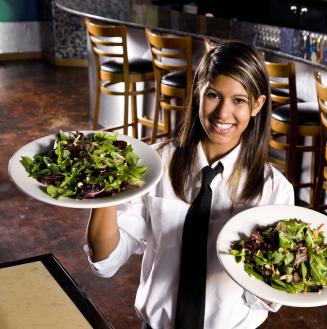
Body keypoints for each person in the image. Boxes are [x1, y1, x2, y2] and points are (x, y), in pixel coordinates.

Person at [84, 40, 294, 329]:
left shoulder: (275, 191)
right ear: (198, 93)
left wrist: (277, 264)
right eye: (213, 95)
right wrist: (103, 191)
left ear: (257, 105)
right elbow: (107, 263)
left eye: (239, 100)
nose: (222, 113)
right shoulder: (153, 165)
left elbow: (263, 299)